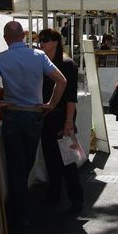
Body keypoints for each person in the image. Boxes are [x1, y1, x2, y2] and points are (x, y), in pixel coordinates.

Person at [0, 21, 66, 227]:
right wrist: (51, 104)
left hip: (12, 114)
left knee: (16, 164)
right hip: (34, 114)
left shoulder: (0, 58)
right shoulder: (39, 56)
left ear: (5, 38)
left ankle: (18, 210)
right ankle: (20, 208)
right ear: (23, 36)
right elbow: (62, 80)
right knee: (26, 162)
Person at [38, 29, 84, 214]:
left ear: (56, 41)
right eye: (40, 39)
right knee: (50, 157)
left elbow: (71, 97)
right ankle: (54, 193)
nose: (41, 43)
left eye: (45, 40)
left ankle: (76, 198)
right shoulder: (42, 62)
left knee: (67, 158)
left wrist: (68, 121)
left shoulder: (67, 64)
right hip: (46, 115)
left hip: (62, 114)